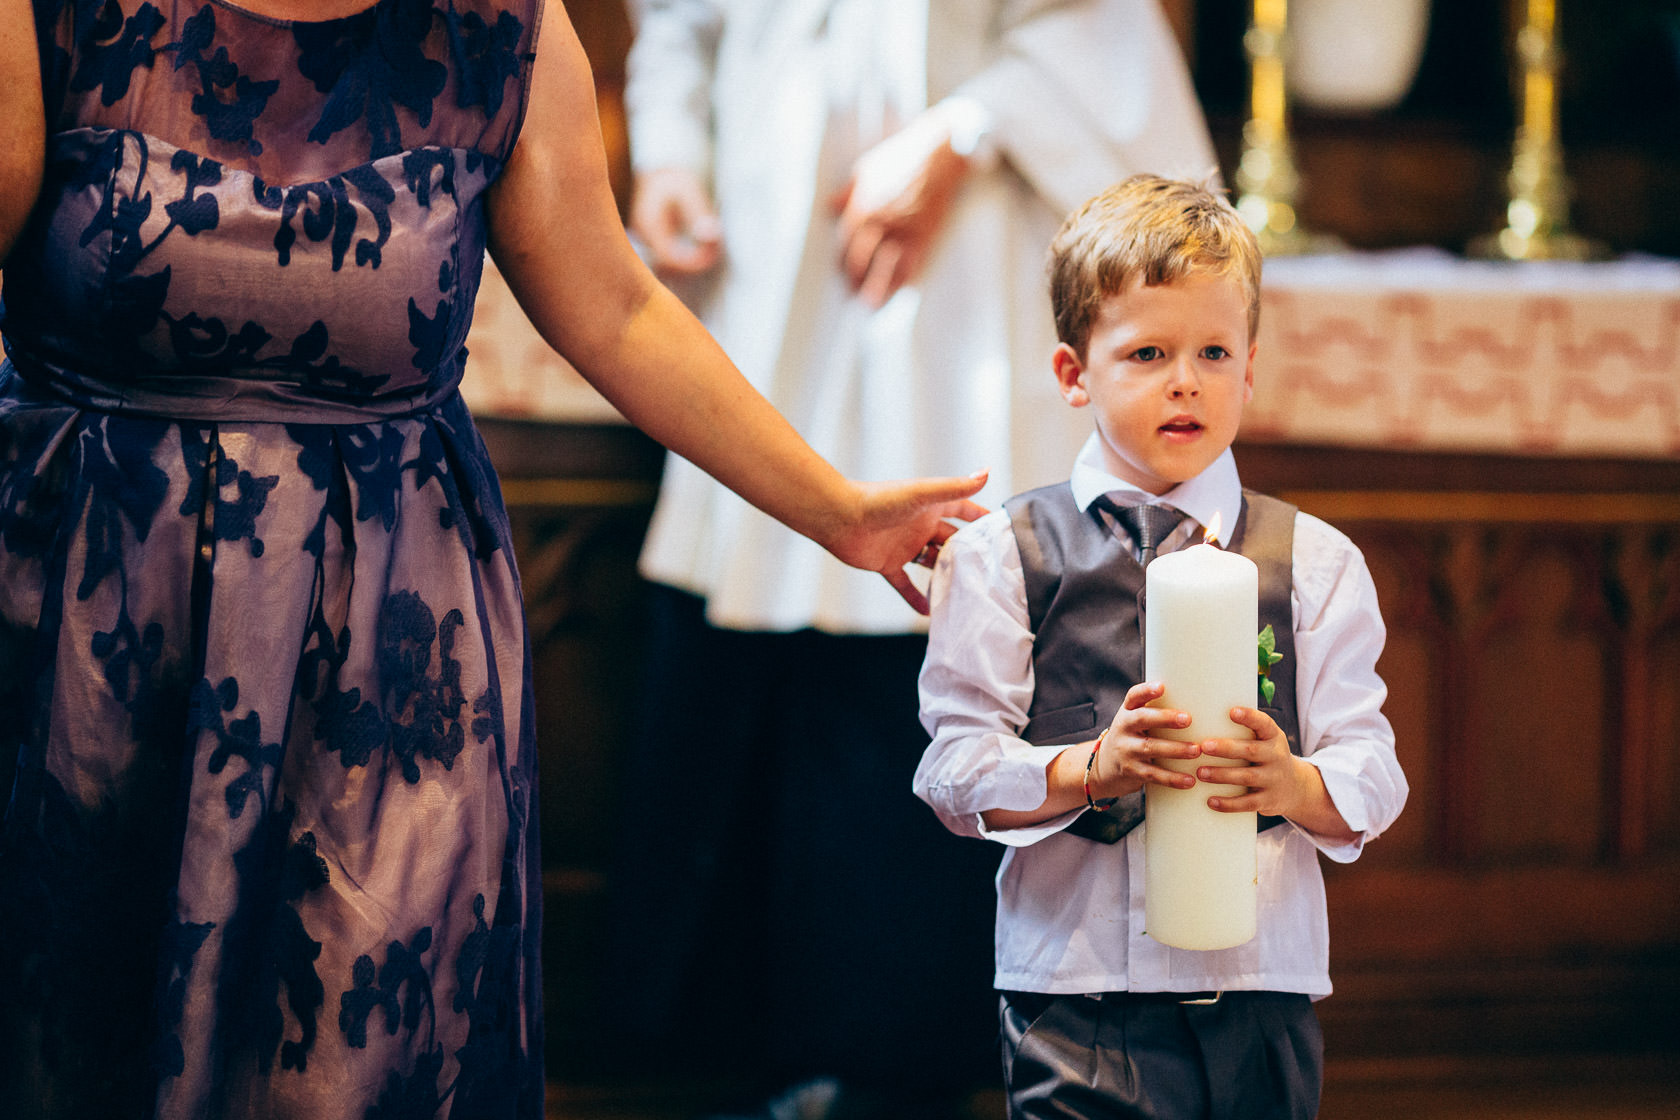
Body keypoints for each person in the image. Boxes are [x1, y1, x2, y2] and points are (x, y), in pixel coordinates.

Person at [0, 0, 990, 1115]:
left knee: (347, 1058)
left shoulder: (500, 25)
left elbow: (615, 310)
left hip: (382, 649)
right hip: (94, 618)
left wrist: (841, 513)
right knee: (80, 1033)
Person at [605, 3, 1216, 1114]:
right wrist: (672, 149)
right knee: (758, 613)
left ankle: (892, 1053)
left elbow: (1103, 35)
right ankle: (743, 1041)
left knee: (928, 638)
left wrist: (969, 129)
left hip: (964, 262)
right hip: (769, 239)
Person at [912, 175, 1409, 1120]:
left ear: (1250, 368)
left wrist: (1293, 783)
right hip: (1076, 989)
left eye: (1214, 351)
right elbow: (952, 768)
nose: (1187, 379)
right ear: (1074, 374)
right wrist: (1087, 769)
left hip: (1261, 983)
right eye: (1147, 352)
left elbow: (1374, 771)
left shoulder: (1314, 562)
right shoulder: (1000, 558)